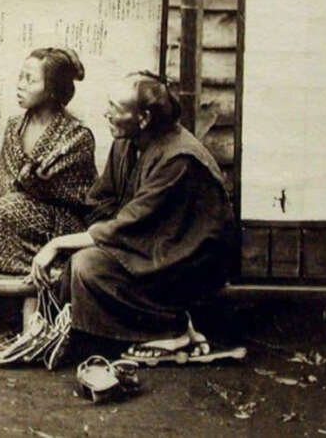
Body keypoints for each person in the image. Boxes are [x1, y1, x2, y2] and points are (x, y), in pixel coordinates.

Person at [26, 71, 239, 367]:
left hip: (188, 258)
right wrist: (96, 234)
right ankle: (142, 327)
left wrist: (59, 244)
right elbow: (102, 199)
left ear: (144, 118)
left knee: (87, 267)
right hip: (149, 243)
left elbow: (132, 221)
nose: (107, 113)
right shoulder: (127, 141)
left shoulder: (179, 159)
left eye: (116, 108)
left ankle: (171, 329)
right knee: (79, 261)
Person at [0, 47, 96, 275]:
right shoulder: (14, 126)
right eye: (20, 77)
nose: (20, 85)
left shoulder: (76, 135)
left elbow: (76, 195)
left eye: (30, 80)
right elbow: (0, 178)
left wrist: (28, 186)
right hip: (11, 215)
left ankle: (56, 265)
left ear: (53, 89)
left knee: (3, 215)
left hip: (59, 222)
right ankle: (42, 265)